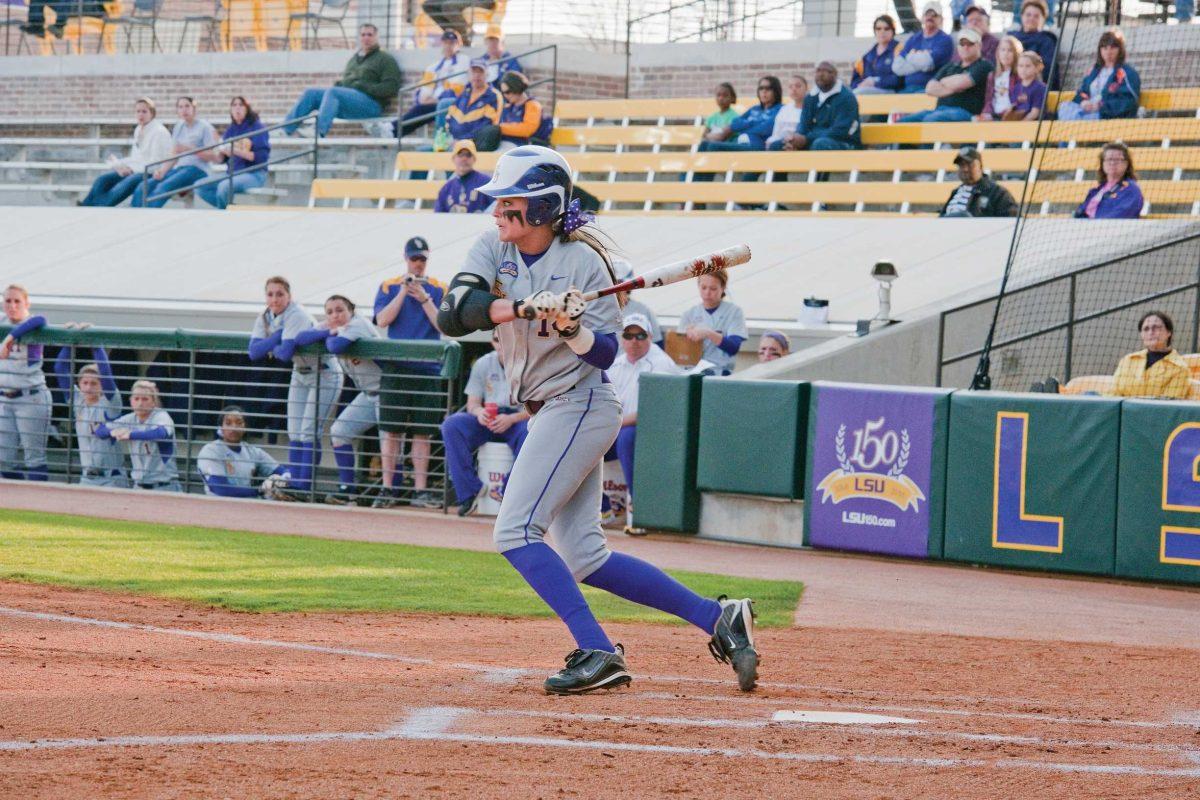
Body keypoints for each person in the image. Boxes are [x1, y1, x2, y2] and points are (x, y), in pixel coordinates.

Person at [434, 144, 759, 695]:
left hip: (580, 402)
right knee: (585, 554)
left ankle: (598, 649)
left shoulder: (589, 264)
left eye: (508, 205)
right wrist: (523, 306)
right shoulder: (493, 245)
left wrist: (570, 328)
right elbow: (453, 314)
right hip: (548, 410)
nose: (496, 213)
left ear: (540, 208)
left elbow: (605, 354)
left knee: (515, 531)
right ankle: (717, 617)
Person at [247, 276, 344, 494]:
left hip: (324, 372)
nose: (275, 299)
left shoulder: (296, 313)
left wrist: (274, 340)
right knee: (295, 431)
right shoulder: (265, 316)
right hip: (299, 373)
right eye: (270, 294)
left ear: (289, 296)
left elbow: (283, 353)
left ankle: (303, 486)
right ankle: (295, 483)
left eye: (280, 294)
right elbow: (253, 352)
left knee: (309, 431)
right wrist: (278, 336)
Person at [372, 237, 446, 509]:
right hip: (397, 366)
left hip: (427, 369)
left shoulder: (439, 288)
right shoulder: (389, 286)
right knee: (391, 431)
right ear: (406, 259)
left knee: (422, 433)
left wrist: (424, 297)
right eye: (414, 259)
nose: (418, 264)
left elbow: (443, 326)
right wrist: (404, 291)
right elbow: (382, 320)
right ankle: (389, 488)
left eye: (422, 259)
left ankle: (420, 490)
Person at [300, 295, 384, 506]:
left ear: (352, 310)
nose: (335, 315)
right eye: (329, 312)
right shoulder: (335, 325)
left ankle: (394, 492)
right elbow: (300, 338)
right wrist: (329, 329)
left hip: (387, 391)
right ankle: (348, 490)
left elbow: (336, 346)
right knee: (339, 432)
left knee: (390, 445)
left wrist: (329, 334)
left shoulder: (358, 324)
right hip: (367, 394)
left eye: (339, 310)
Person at [439, 329, 530, 516]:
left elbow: (539, 408)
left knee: (531, 433)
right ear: (492, 342)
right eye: (497, 339)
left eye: (506, 338)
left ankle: (509, 495)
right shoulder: (483, 363)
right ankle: (470, 491)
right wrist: (480, 413)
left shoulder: (529, 363)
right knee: (452, 425)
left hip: (518, 418)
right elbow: (472, 403)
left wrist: (511, 418)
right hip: (489, 416)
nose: (502, 344)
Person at [606, 313, 682, 506]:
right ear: (621, 338)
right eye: (628, 336)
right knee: (581, 440)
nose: (634, 341)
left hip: (655, 430)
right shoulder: (615, 365)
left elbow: (654, 412)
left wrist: (615, 424)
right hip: (617, 427)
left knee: (626, 437)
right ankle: (602, 507)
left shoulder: (661, 363)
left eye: (640, 335)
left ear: (650, 337)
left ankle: (638, 505)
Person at [283, 24, 402, 139]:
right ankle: (286, 130)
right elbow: (347, 82)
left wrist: (363, 86)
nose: (366, 38)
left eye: (370, 35)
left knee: (334, 92)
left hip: (371, 105)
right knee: (311, 93)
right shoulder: (354, 60)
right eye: (363, 34)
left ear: (376, 37)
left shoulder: (385, 59)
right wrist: (341, 84)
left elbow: (391, 87)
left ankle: (318, 131)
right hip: (350, 102)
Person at [52, 337, 127, 488]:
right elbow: (59, 368)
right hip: (87, 477)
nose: (88, 387)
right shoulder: (78, 402)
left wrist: (95, 343)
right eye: (84, 383)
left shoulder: (110, 403)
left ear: (101, 385)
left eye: (94, 383)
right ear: (79, 384)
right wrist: (70, 340)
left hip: (112, 478)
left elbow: (105, 372)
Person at [79, 98, 172, 208]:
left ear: (152, 113)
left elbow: (155, 164)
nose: (140, 115)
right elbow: (136, 157)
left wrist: (131, 170)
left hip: (150, 172)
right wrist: (121, 165)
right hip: (136, 169)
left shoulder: (159, 132)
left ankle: (95, 207)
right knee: (102, 180)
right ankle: (85, 206)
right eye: (138, 111)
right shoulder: (139, 129)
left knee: (123, 185)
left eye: (144, 111)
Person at [0, 285, 51, 481]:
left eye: (17, 301)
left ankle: (40, 502)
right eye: (8, 301)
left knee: (34, 457)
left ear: (26, 303)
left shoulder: (33, 322)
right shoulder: (2, 321)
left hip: (31, 396)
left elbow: (41, 320)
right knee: (4, 459)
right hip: (4, 397)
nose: (12, 306)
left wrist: (9, 339)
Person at [132, 96, 218, 209]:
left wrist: (189, 149)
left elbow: (214, 156)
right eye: (180, 107)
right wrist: (162, 171)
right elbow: (174, 154)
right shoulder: (179, 126)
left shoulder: (204, 127)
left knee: (163, 187)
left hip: (198, 169)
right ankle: (135, 216)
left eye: (187, 106)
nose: (184, 110)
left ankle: (146, 216)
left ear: (194, 109)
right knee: (144, 186)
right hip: (180, 168)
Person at [95, 380, 180, 492]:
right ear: (131, 401)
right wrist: (112, 432)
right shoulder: (130, 418)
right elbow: (100, 430)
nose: (140, 403)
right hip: (138, 487)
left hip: (164, 486)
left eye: (145, 399)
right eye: (136, 399)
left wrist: (130, 434)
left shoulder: (161, 416)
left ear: (154, 402)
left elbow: (160, 433)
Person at [899, 28, 993, 123]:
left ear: (979, 45)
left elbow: (961, 83)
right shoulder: (950, 66)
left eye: (970, 44)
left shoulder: (984, 65)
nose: (965, 47)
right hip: (939, 110)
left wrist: (943, 82)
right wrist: (955, 86)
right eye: (962, 44)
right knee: (903, 122)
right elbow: (930, 89)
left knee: (931, 119)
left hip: (966, 112)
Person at [198, 406, 292, 498]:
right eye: (228, 423)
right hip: (219, 507)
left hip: (248, 506)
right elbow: (220, 488)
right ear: (220, 428)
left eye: (239, 423)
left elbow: (282, 471)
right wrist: (260, 491)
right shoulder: (211, 451)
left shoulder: (253, 451)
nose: (234, 427)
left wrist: (283, 479)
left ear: (245, 427)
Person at [196, 96, 270, 210]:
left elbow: (261, 158)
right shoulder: (231, 129)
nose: (237, 108)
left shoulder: (257, 127)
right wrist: (214, 149)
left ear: (247, 108)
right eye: (234, 105)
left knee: (224, 187)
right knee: (200, 186)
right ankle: (230, 209)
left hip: (254, 174)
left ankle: (226, 215)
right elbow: (222, 159)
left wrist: (233, 149)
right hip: (232, 173)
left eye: (240, 105)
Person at [1056, 28, 1139, 122]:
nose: (1108, 52)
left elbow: (1127, 101)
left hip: (1106, 116)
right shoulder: (1093, 71)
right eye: (1105, 48)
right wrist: (1083, 102)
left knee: (1077, 120)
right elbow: (1082, 92)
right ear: (1100, 50)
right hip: (1087, 111)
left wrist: (1100, 107)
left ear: (1120, 50)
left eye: (1113, 47)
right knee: (1065, 107)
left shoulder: (1127, 73)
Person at [677, 269, 747, 376]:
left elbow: (733, 348)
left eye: (713, 288)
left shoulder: (734, 312)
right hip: (692, 372)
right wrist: (687, 338)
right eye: (703, 287)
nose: (707, 293)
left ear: (723, 288)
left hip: (720, 373)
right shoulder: (689, 314)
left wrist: (708, 333)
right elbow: (680, 352)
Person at [399, 30, 468, 138]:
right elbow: (424, 90)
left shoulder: (463, 61)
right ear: (442, 44)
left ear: (459, 45)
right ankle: (393, 129)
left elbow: (457, 88)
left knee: (421, 110)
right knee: (420, 110)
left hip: (450, 102)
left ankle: (393, 129)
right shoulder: (434, 66)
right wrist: (424, 98)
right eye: (446, 42)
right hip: (433, 102)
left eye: (452, 43)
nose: (448, 46)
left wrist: (433, 99)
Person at [1110, 311, 1190, 399]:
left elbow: (1168, 406)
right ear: (1141, 334)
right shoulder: (1127, 360)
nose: (1151, 332)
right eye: (1146, 329)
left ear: (1169, 332)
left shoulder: (1180, 368)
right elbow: (1113, 394)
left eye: (1156, 328)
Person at [696, 75, 782, 152]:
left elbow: (765, 129)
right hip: (740, 143)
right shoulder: (754, 109)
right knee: (704, 144)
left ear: (776, 91)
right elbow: (735, 121)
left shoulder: (780, 109)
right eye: (761, 88)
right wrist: (752, 124)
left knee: (713, 146)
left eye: (768, 88)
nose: (764, 92)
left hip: (756, 146)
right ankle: (689, 170)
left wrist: (741, 126)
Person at [789, 62, 861, 151]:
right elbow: (804, 124)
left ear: (835, 75)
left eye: (826, 71)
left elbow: (840, 131)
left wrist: (806, 139)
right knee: (778, 145)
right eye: (818, 71)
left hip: (845, 143)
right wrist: (796, 138)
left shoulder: (846, 97)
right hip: (814, 140)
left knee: (820, 144)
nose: (821, 74)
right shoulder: (810, 97)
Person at [892, 2, 954, 94]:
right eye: (927, 14)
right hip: (906, 90)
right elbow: (897, 67)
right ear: (922, 17)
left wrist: (909, 57)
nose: (930, 17)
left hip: (928, 91)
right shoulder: (914, 39)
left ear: (940, 19)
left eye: (934, 15)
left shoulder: (945, 40)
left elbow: (928, 61)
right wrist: (923, 64)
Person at [940, 146, 1018, 217]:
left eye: (970, 165)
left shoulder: (997, 192)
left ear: (980, 166)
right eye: (961, 165)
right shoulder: (955, 192)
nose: (965, 169)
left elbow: (1011, 219)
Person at [1074, 141, 1143, 220]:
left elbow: (1121, 216)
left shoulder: (1131, 190)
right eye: (1109, 159)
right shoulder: (1096, 191)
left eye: (1117, 159)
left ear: (1126, 164)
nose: (1112, 163)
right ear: (1102, 163)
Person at [444, 58, 503, 150]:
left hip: (475, 145)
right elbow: (449, 117)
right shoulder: (464, 93)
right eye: (474, 72)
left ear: (487, 74)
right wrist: (450, 137)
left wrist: (463, 140)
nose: (477, 75)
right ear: (468, 74)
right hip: (455, 142)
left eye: (480, 72)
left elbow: (488, 126)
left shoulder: (493, 95)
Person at [612, 259, 663, 348]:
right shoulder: (596, 310)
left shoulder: (643, 310)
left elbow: (657, 345)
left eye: (620, 284)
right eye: (613, 284)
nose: (616, 288)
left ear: (629, 286)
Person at [497, 71, 552, 150]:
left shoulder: (532, 105)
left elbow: (527, 129)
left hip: (525, 146)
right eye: (503, 92)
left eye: (507, 92)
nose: (505, 95)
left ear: (516, 88)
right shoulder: (508, 107)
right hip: (507, 144)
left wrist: (500, 128)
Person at [1011, 0, 1059, 89]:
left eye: (1036, 16)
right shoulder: (1012, 37)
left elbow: (1047, 68)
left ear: (1043, 19)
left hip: (1035, 88)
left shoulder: (1047, 40)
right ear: (1021, 16)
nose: (1031, 18)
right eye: (1028, 15)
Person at [436, 139, 492, 213]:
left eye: (468, 155)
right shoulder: (446, 188)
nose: (464, 158)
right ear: (453, 158)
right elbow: (438, 216)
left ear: (474, 159)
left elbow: (496, 208)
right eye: (460, 155)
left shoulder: (486, 183)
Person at [852, 14, 903, 95]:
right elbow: (855, 80)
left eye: (886, 28)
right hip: (867, 91)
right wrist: (861, 84)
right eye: (878, 28)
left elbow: (900, 79)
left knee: (857, 93)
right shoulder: (868, 55)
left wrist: (875, 82)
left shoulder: (899, 49)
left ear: (893, 31)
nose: (882, 31)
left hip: (891, 92)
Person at [978, 35, 1022, 121]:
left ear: (1016, 54)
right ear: (998, 53)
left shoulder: (1019, 75)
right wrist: (985, 113)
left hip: (1011, 115)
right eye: (1003, 50)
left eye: (1010, 50)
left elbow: (1019, 100)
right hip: (993, 115)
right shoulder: (992, 75)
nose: (1006, 53)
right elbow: (989, 100)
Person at [766, 75, 808, 151]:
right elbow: (777, 133)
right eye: (790, 87)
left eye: (798, 86)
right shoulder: (784, 109)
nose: (794, 89)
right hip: (783, 143)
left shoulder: (811, 108)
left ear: (806, 88)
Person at [1008, 52, 1047, 121]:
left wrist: (1020, 125)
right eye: (1020, 66)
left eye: (1028, 66)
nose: (1023, 69)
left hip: (1033, 124)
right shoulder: (1016, 87)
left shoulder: (1040, 87)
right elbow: (1014, 107)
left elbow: (1035, 113)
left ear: (1036, 68)